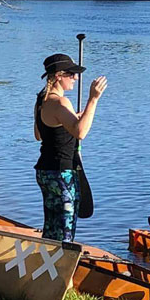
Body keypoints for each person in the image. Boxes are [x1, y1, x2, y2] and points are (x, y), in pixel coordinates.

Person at [34, 52, 107, 241]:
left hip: (45, 171)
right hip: (62, 173)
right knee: (65, 229)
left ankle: (45, 263)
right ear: (58, 75)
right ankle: (59, 266)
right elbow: (80, 132)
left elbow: (39, 134)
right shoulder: (60, 101)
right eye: (71, 74)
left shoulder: (41, 100)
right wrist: (93, 99)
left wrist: (69, 117)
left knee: (51, 226)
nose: (76, 78)